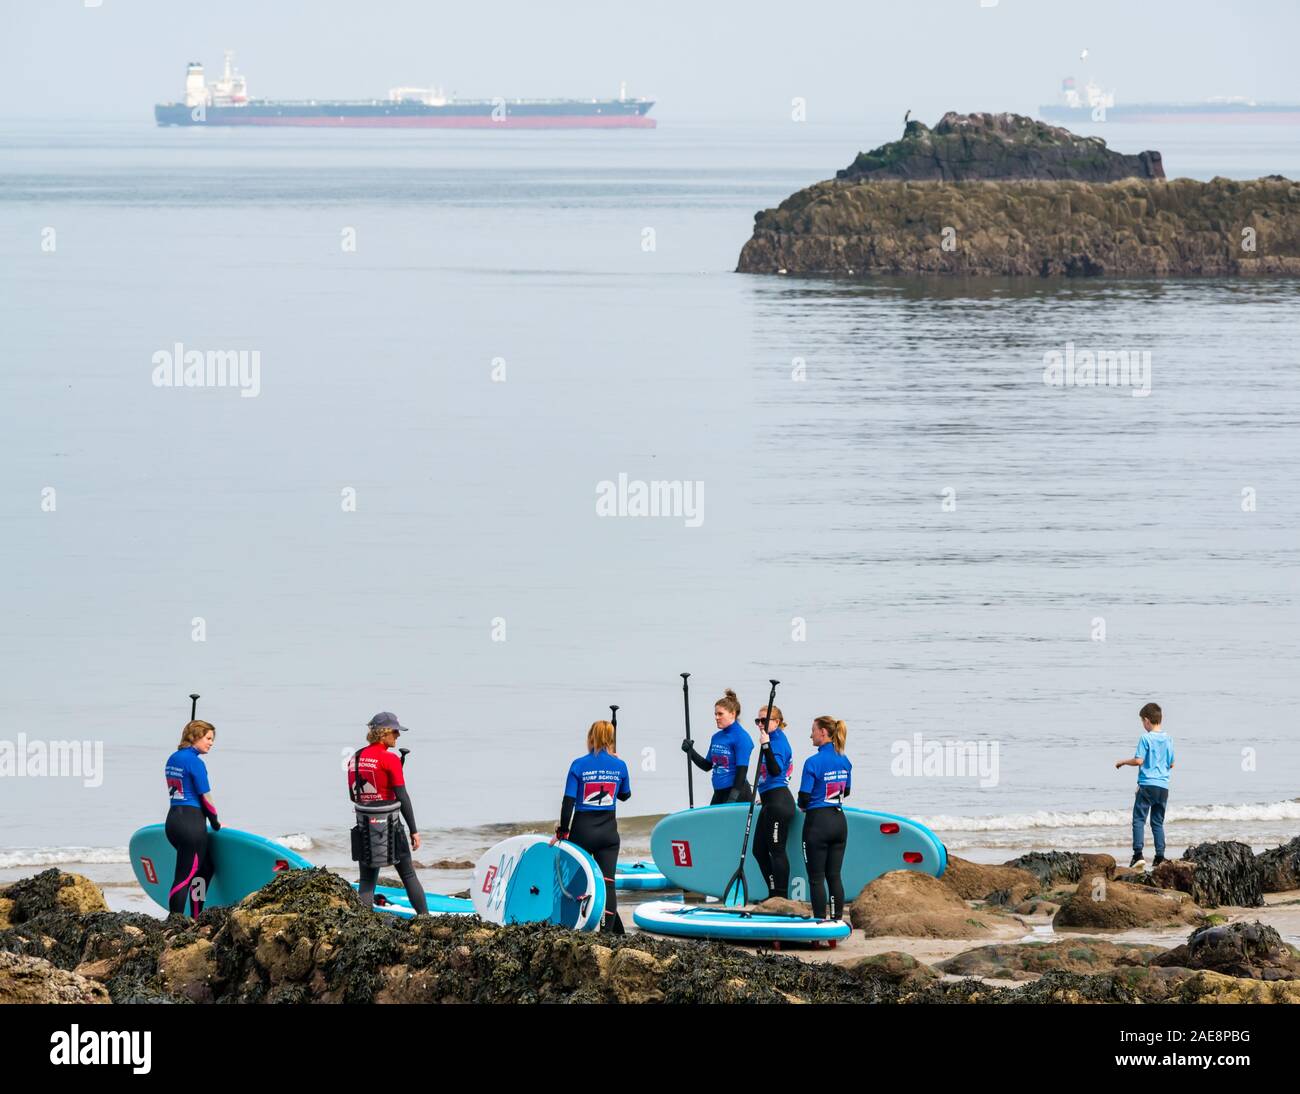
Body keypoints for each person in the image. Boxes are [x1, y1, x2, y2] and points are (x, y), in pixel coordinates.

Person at [346, 711, 429, 915]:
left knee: (366, 880)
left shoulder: (355, 758)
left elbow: (354, 795)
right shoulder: (389, 759)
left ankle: (362, 924)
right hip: (390, 826)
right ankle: (425, 920)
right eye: (395, 731)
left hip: (364, 826)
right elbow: (402, 796)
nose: (398, 736)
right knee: (408, 874)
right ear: (383, 734)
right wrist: (414, 831)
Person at [555, 719, 631, 934]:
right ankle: (607, 934)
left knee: (574, 882)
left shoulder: (578, 765)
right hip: (608, 834)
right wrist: (614, 770)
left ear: (591, 739)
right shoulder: (620, 765)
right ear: (610, 741)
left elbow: (568, 801)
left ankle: (568, 926)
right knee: (607, 883)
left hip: (582, 832)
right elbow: (625, 795)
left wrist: (562, 831)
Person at [164, 719, 220, 917]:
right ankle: (175, 921)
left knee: (204, 869)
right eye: (208, 738)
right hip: (191, 825)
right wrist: (215, 821)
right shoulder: (195, 762)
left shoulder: (173, 758)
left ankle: (196, 916)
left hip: (173, 822)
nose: (211, 743)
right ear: (195, 736)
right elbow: (205, 797)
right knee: (185, 876)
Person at [798, 715, 852, 922]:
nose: (810, 734)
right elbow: (846, 791)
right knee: (834, 876)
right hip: (839, 822)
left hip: (817, 824)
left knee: (816, 879)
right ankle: (837, 921)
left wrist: (803, 806)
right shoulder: (844, 760)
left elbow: (804, 797)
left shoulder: (813, 762)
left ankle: (820, 922)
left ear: (823, 733)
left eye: (813, 730)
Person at [1115, 702, 1175, 870]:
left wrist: (1123, 762)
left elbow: (1139, 760)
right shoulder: (1168, 738)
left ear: (1147, 720)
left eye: (1142, 721)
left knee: (1139, 819)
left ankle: (1138, 855)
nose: (1143, 725)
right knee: (1157, 822)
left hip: (1147, 785)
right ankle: (1160, 857)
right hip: (1163, 787)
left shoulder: (1145, 738)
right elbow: (1171, 764)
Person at [752, 704, 795, 900]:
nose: (760, 724)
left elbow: (776, 770)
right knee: (758, 850)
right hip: (770, 800)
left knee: (776, 851)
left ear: (777, 722)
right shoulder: (771, 739)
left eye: (764, 720)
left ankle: (781, 896)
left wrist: (766, 745)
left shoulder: (777, 742)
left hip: (779, 803)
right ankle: (772, 893)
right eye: (758, 721)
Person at [681, 689, 754, 804]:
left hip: (737, 794)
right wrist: (690, 751)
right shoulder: (716, 737)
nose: (716, 717)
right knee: (709, 822)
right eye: (715, 714)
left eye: (720, 714)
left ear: (733, 714)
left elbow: (742, 772)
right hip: (718, 793)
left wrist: (733, 798)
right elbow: (707, 766)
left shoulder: (742, 738)